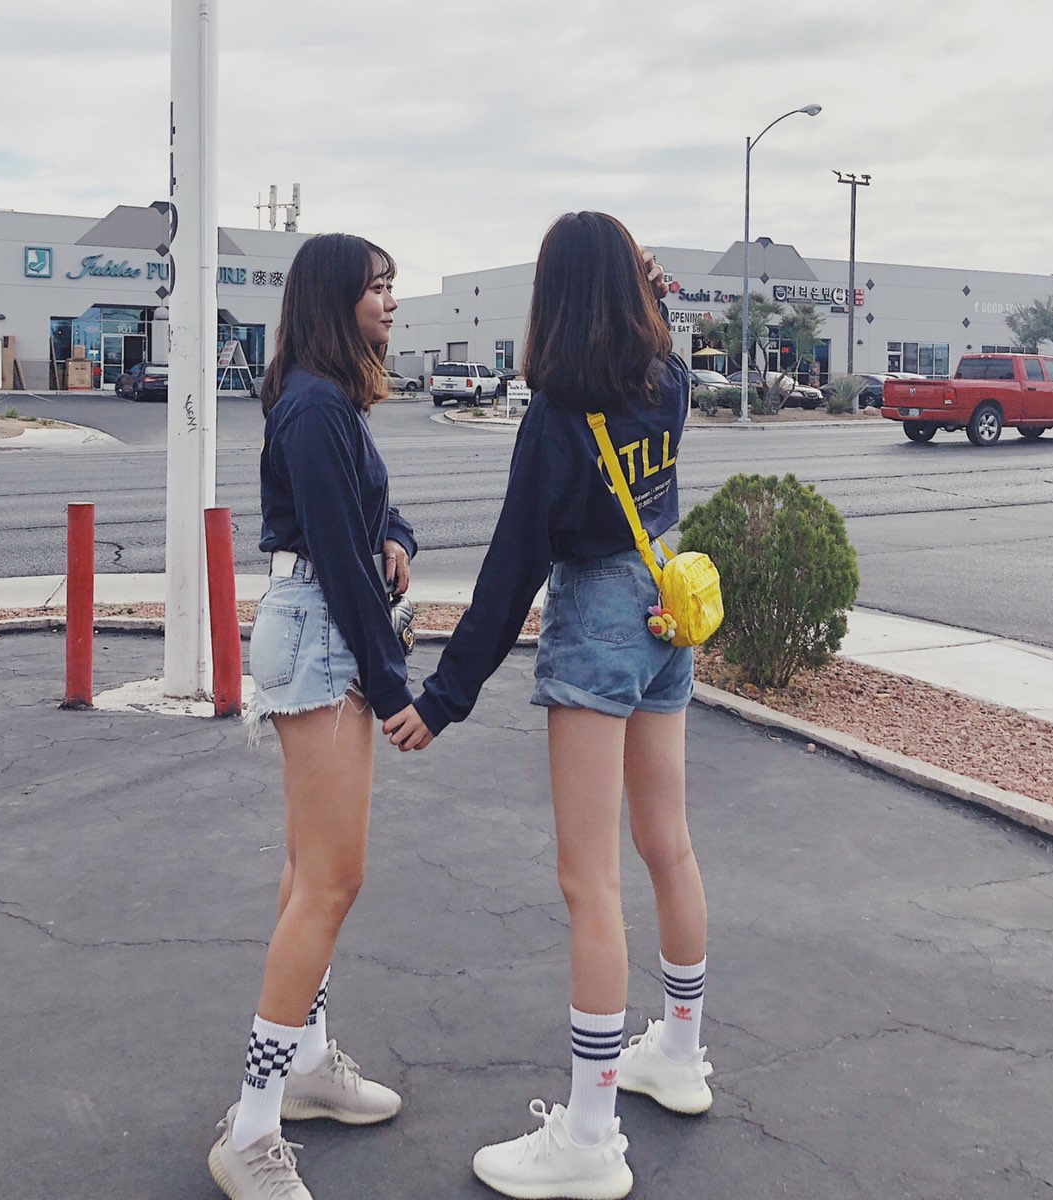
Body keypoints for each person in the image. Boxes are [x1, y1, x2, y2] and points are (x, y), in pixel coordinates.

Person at [384, 211, 712, 1200]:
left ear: (555, 296)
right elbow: (660, 340)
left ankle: (590, 1137)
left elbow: (513, 567)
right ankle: (680, 1055)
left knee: (589, 881)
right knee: (668, 845)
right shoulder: (668, 383)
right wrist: (653, 292)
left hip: (601, 620)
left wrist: (444, 697)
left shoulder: (559, 418)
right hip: (665, 608)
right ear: (632, 287)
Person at [208, 233, 414, 1200]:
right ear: (336, 298)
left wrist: (398, 535)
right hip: (322, 631)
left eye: (393, 287)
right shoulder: (315, 405)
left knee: (309, 873)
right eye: (377, 288)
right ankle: (251, 1126)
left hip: (320, 625)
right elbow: (335, 554)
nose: (390, 303)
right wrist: (393, 681)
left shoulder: (326, 398)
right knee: (333, 880)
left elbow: (362, 518)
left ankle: (307, 1062)